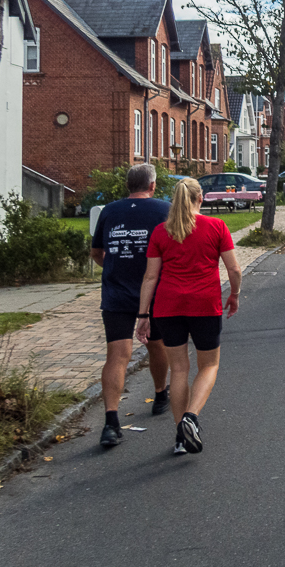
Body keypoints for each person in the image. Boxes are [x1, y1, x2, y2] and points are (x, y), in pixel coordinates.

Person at [136, 178, 242, 455]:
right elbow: (234, 270)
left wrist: (143, 314)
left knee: (179, 369)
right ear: (201, 198)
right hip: (204, 304)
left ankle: (181, 439)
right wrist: (235, 295)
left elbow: (150, 277)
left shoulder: (161, 231)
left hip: (168, 306)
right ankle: (191, 417)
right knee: (208, 365)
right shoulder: (216, 226)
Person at [90, 163, 172, 448]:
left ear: (128, 186)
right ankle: (161, 393)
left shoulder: (110, 211)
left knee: (117, 354)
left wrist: (113, 265)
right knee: (156, 344)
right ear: (152, 186)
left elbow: (96, 252)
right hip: (154, 291)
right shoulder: (165, 210)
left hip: (116, 292)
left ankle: (111, 422)